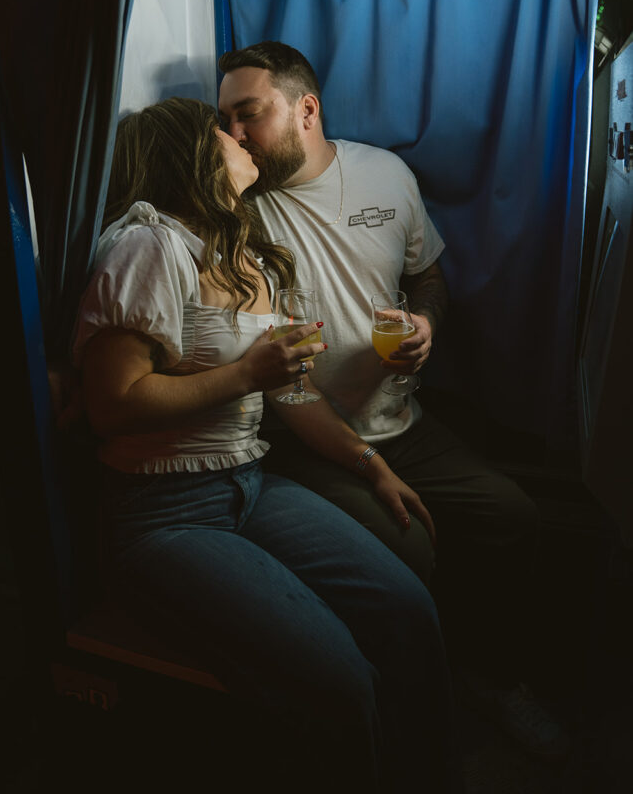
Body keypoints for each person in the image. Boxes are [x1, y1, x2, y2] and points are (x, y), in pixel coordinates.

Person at [71, 97, 462, 794]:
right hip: (162, 514)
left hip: (248, 486)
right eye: (221, 130)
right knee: (339, 681)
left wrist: (370, 464)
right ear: (191, 154)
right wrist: (247, 373)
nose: (238, 136)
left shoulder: (244, 256)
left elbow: (290, 393)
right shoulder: (150, 245)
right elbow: (112, 404)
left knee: (409, 613)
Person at [217, 41, 569, 762]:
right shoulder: (237, 205)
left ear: (306, 109)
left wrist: (425, 325)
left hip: (401, 421)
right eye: (224, 120)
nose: (234, 135)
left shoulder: (385, 174)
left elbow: (428, 277)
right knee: (406, 550)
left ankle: (489, 677)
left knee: (511, 516)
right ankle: (397, 706)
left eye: (248, 114)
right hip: (304, 440)